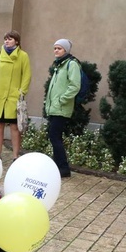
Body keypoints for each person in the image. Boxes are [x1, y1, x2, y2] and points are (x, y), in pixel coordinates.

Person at [0, 30, 31, 160]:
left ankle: (15, 155)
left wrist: (21, 92)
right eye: (6, 39)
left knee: (14, 127)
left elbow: (26, 76)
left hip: (13, 98)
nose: (7, 41)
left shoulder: (23, 56)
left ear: (16, 41)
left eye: (10, 39)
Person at [45, 38, 80, 178]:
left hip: (61, 107)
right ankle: (59, 166)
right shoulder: (59, 65)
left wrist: (61, 100)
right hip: (54, 107)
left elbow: (74, 86)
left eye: (59, 48)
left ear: (66, 50)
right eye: (55, 48)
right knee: (55, 136)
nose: (56, 51)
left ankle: (63, 168)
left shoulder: (71, 64)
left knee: (54, 136)